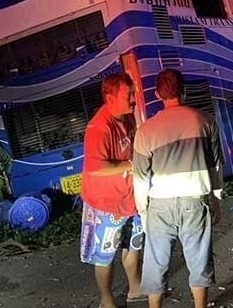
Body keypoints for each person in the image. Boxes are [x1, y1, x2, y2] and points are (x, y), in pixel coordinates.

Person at [132, 69, 224, 308]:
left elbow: (140, 178)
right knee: (199, 260)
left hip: (159, 206)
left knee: (156, 264)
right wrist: (216, 201)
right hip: (195, 201)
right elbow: (215, 166)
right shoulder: (205, 121)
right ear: (184, 91)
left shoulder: (145, 131)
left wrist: (143, 212)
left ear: (157, 94)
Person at [79, 73, 145, 308]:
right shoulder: (99, 127)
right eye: (128, 95)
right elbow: (95, 167)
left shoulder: (127, 118)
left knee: (133, 244)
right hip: (105, 204)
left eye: (133, 93)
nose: (134, 99)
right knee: (104, 255)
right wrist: (131, 165)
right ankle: (106, 300)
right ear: (110, 98)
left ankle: (135, 289)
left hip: (130, 199)